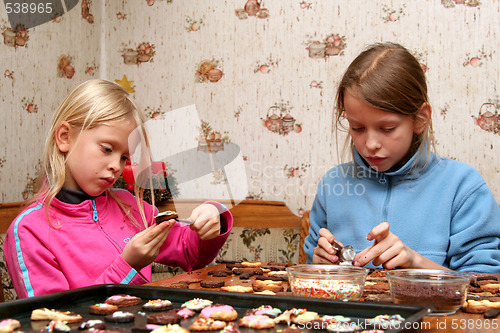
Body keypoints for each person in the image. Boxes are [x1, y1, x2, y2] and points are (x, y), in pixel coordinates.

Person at [4, 79, 233, 298]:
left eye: (124, 157)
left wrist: (214, 217)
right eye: (106, 149)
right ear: (65, 137)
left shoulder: (130, 206)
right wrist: (128, 266)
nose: (117, 166)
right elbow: (53, 320)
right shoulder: (29, 231)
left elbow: (190, 253)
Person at [304, 42, 500, 273]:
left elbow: (485, 289)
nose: (371, 145)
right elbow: (310, 285)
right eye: (357, 128)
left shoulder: (462, 186)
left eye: (387, 129)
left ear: (419, 119)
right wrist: (319, 266)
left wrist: (416, 264)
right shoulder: (332, 185)